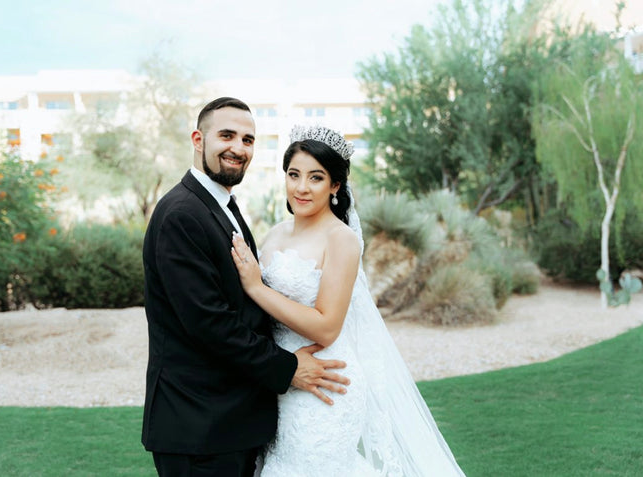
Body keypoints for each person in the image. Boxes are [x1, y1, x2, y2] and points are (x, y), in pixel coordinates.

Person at [231, 125, 467, 476]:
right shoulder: (275, 234)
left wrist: (256, 288)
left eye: (316, 177)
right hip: (282, 378)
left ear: (335, 186)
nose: (301, 187)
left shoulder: (340, 239)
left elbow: (327, 327)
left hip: (325, 384)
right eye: (293, 174)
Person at [141, 98, 350, 477]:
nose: (238, 147)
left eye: (248, 139)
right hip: (199, 426)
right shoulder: (182, 214)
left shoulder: (221, 206)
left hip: (233, 422)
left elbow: (243, 307)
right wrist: (288, 369)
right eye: (226, 135)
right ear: (198, 139)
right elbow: (209, 324)